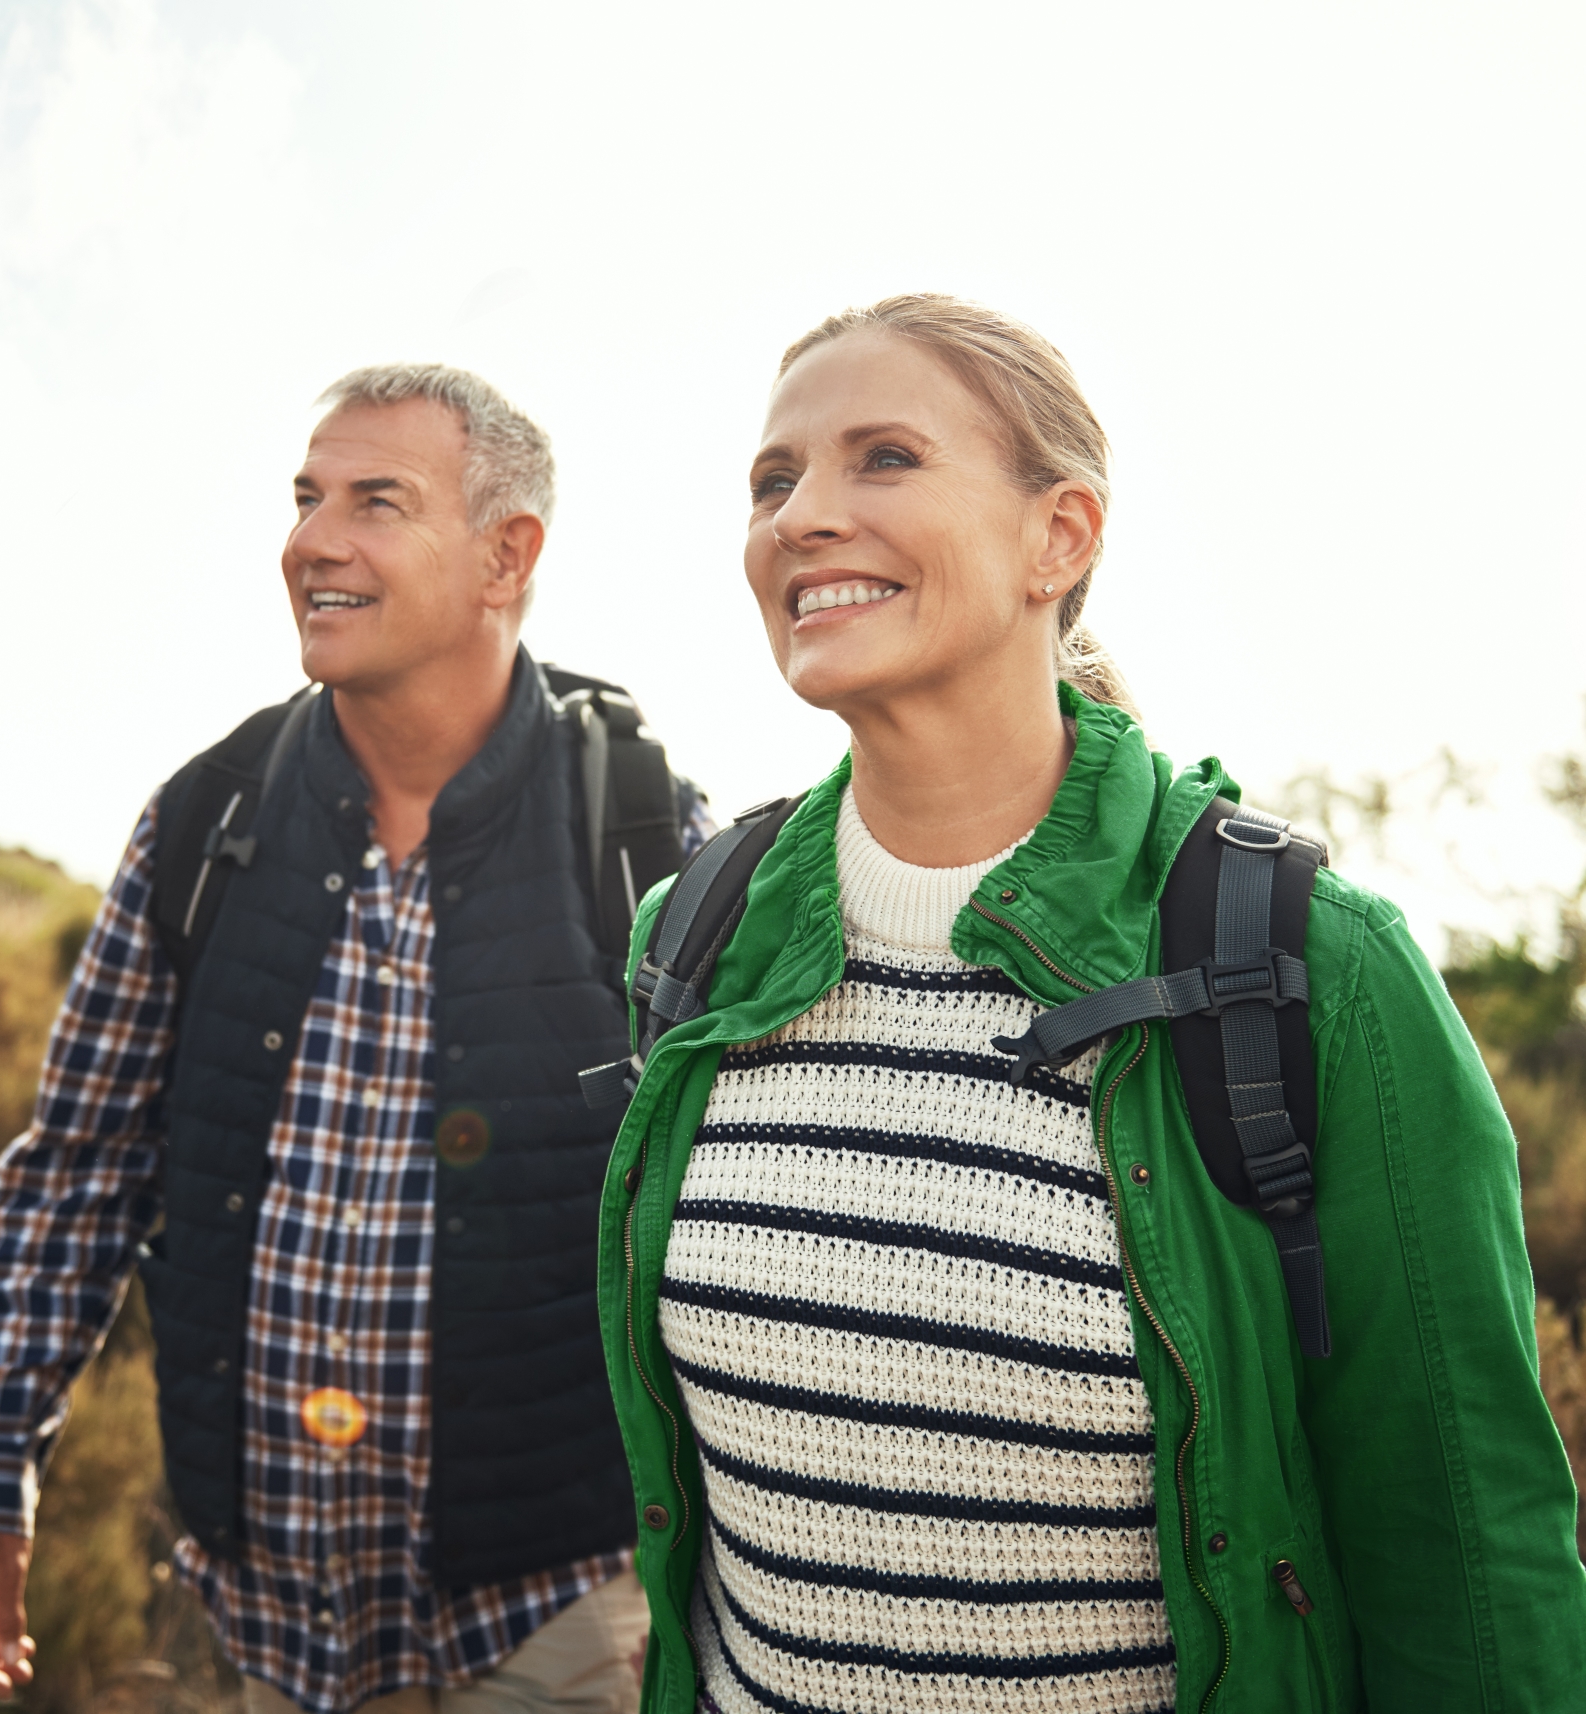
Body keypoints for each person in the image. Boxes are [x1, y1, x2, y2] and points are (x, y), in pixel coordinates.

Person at [597, 295, 1586, 1712]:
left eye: (882, 457)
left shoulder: (1314, 966)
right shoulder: (690, 937)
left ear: (1057, 537)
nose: (801, 515)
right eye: (773, 478)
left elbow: (1469, 1573)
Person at [0, 363, 710, 1713]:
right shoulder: (203, 820)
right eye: (305, 497)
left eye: (375, 500)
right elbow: (74, 1172)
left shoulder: (640, 827)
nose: (310, 539)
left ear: (504, 556)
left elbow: (721, 1214)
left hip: (556, 1614)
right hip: (267, 1624)